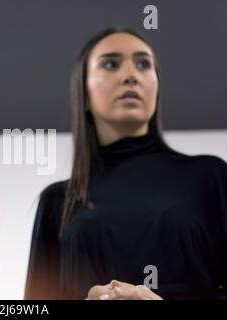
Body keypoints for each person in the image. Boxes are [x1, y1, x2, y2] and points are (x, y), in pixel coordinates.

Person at [25, 27, 227, 300]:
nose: (131, 75)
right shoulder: (57, 201)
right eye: (110, 64)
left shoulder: (210, 177)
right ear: (83, 91)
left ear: (157, 87)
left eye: (144, 64)